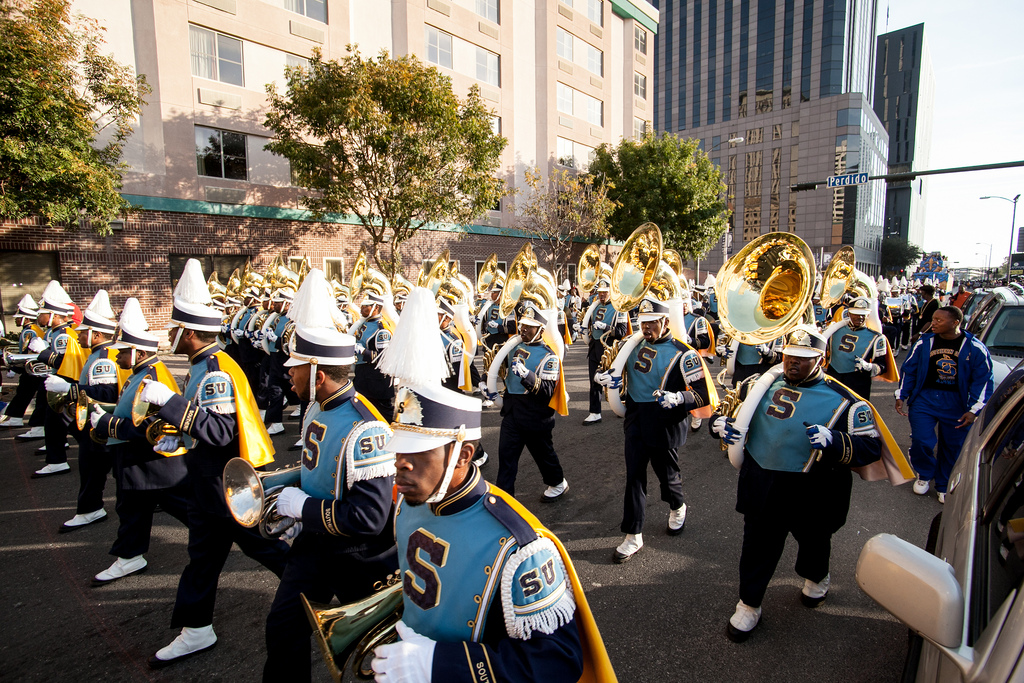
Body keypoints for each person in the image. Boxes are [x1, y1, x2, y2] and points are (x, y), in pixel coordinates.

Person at [370, 379, 617, 682]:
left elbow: (558, 661)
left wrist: (440, 664)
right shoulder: (411, 502)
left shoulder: (520, 548)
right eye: (398, 450)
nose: (400, 464)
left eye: (418, 451)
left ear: (463, 455)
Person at [138, 259, 290, 668]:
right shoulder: (204, 365)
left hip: (225, 484)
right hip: (207, 481)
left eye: (174, 329)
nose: (170, 335)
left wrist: (167, 403)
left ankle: (314, 596)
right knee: (204, 558)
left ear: (188, 332)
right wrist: (176, 433)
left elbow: (221, 432)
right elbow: (206, 427)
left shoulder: (215, 371)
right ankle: (196, 629)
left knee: (267, 550)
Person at [711, 325, 894, 642]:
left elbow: (870, 448)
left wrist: (834, 440)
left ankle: (817, 576)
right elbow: (728, 415)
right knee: (756, 548)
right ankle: (749, 604)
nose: (792, 363)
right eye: (789, 356)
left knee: (814, 542)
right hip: (763, 482)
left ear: (821, 360)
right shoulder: (757, 385)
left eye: (803, 358)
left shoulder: (848, 402)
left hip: (814, 490)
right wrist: (721, 426)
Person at [263, 269, 398, 682]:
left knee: (383, 658)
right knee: (282, 629)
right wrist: (278, 494)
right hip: (315, 548)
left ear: (318, 373)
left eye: (296, 367)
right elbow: (315, 470)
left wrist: (304, 507)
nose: (289, 372)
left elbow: (370, 519)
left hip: (357, 558)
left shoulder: (366, 428)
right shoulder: (316, 408)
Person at [595, 297, 716, 563]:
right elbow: (610, 369)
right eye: (642, 322)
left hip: (665, 420)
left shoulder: (684, 353)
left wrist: (678, 399)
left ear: (664, 321)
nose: (646, 328)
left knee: (668, 475)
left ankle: (677, 505)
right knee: (634, 476)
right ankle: (633, 534)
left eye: (651, 323)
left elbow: (702, 396)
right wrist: (603, 378)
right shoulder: (632, 345)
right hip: (637, 416)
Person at [90, 298, 191, 585]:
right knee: (131, 508)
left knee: (190, 510)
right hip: (137, 460)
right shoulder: (139, 372)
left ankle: (228, 532)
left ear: (136, 352)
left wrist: (107, 424)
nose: (117, 357)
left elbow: (150, 425)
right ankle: (129, 556)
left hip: (154, 461)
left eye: (122, 352)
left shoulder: (153, 375)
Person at [896, 305, 994, 503]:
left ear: (955, 322)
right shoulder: (924, 343)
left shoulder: (975, 348)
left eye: (939, 320)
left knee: (952, 446)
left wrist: (974, 410)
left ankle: (943, 483)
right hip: (925, 398)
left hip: (956, 402)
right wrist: (901, 395)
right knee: (922, 440)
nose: (934, 323)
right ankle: (924, 474)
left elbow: (982, 380)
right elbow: (909, 370)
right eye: (933, 319)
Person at [45, 290, 125, 531]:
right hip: (98, 421)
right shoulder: (99, 354)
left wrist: (71, 389)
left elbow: (105, 395)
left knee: (94, 467)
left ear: (96, 334)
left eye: (82, 333)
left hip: (102, 421)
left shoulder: (103, 359)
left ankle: (90, 509)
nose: (78, 336)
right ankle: (90, 508)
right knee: (99, 468)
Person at [489, 303, 569, 502]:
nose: (523, 329)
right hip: (512, 412)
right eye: (522, 324)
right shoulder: (513, 347)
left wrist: (527, 376)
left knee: (543, 454)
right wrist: (486, 383)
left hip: (536, 415)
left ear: (540, 330)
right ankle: (504, 502)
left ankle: (558, 482)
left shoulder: (549, 356)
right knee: (506, 458)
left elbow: (548, 392)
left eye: (529, 326)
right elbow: (495, 366)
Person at [30, 280, 83, 476]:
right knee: (56, 424)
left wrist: (44, 353)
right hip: (57, 383)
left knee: (66, 423)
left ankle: (58, 459)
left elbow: (65, 363)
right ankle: (57, 458)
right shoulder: (55, 333)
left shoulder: (63, 335)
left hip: (64, 383)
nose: (40, 316)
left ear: (54, 315)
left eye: (43, 312)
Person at [823, 296, 895, 400]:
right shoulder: (834, 331)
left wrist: (868, 367)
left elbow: (882, 366)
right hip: (834, 379)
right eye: (856, 314)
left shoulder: (877, 338)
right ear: (849, 314)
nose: (860, 317)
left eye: (863, 315)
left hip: (858, 384)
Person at [581, 278, 627, 425]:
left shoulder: (618, 307)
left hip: (610, 348)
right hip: (595, 347)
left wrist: (606, 327)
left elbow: (622, 331)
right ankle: (595, 412)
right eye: (600, 293)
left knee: (615, 380)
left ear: (611, 292)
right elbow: (588, 324)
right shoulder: (594, 306)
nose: (601, 296)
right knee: (594, 380)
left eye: (605, 293)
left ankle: (621, 404)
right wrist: (581, 326)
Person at [0, 295, 46, 430]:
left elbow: (27, 352)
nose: (16, 321)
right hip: (32, 367)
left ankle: (17, 418)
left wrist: (15, 368)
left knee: (24, 393)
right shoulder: (32, 329)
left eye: (18, 318)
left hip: (31, 368)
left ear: (25, 318)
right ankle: (15, 417)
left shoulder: (29, 331)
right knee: (24, 393)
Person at [350, 290, 396, 418]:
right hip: (363, 377)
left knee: (384, 416)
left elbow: (383, 357)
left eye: (366, 306)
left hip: (377, 381)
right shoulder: (363, 324)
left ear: (376, 308)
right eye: (363, 305)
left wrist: (362, 351)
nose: (362, 308)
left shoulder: (382, 330)